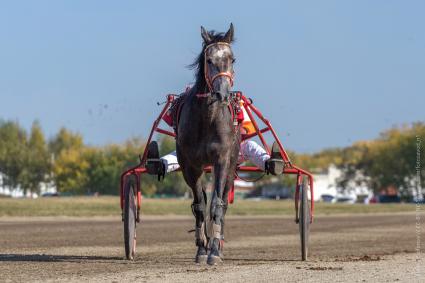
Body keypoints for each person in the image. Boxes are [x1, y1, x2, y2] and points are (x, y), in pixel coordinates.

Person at [145, 96, 284, 178]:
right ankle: (159, 165)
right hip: (199, 152)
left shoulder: (234, 103)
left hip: (228, 152)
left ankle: (270, 164)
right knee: (182, 152)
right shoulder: (191, 106)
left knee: (250, 146)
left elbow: (246, 130)